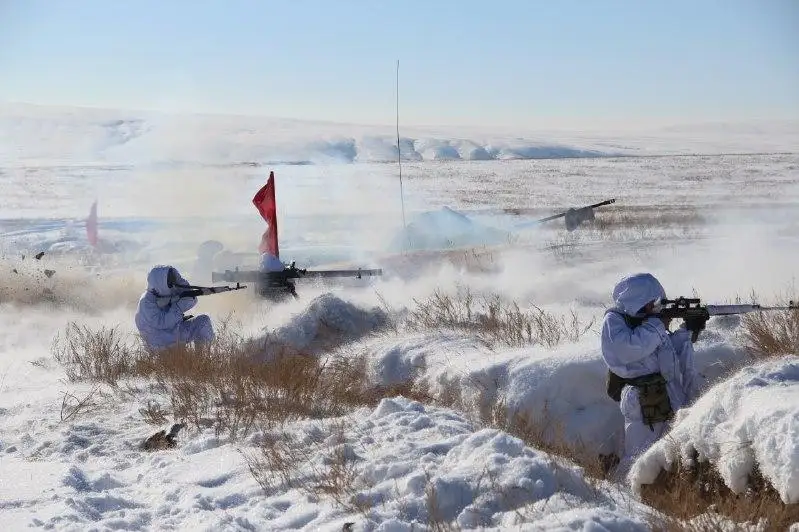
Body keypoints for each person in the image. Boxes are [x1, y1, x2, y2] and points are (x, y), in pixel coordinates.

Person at [601, 272, 705, 480]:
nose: (655, 306)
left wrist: (687, 330)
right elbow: (629, 349)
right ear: (637, 301)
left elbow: (665, 353)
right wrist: (659, 325)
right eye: (651, 302)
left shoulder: (648, 323)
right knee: (639, 458)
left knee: (671, 453)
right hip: (642, 401)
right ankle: (625, 499)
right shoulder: (614, 321)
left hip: (667, 395)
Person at [135, 265, 215, 351]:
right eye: (170, 281)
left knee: (203, 321)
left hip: (173, 333)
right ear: (161, 282)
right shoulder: (146, 302)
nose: (173, 284)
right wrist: (178, 308)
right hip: (160, 343)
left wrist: (180, 283)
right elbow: (162, 323)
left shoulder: (165, 292)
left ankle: (202, 358)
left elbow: (192, 300)